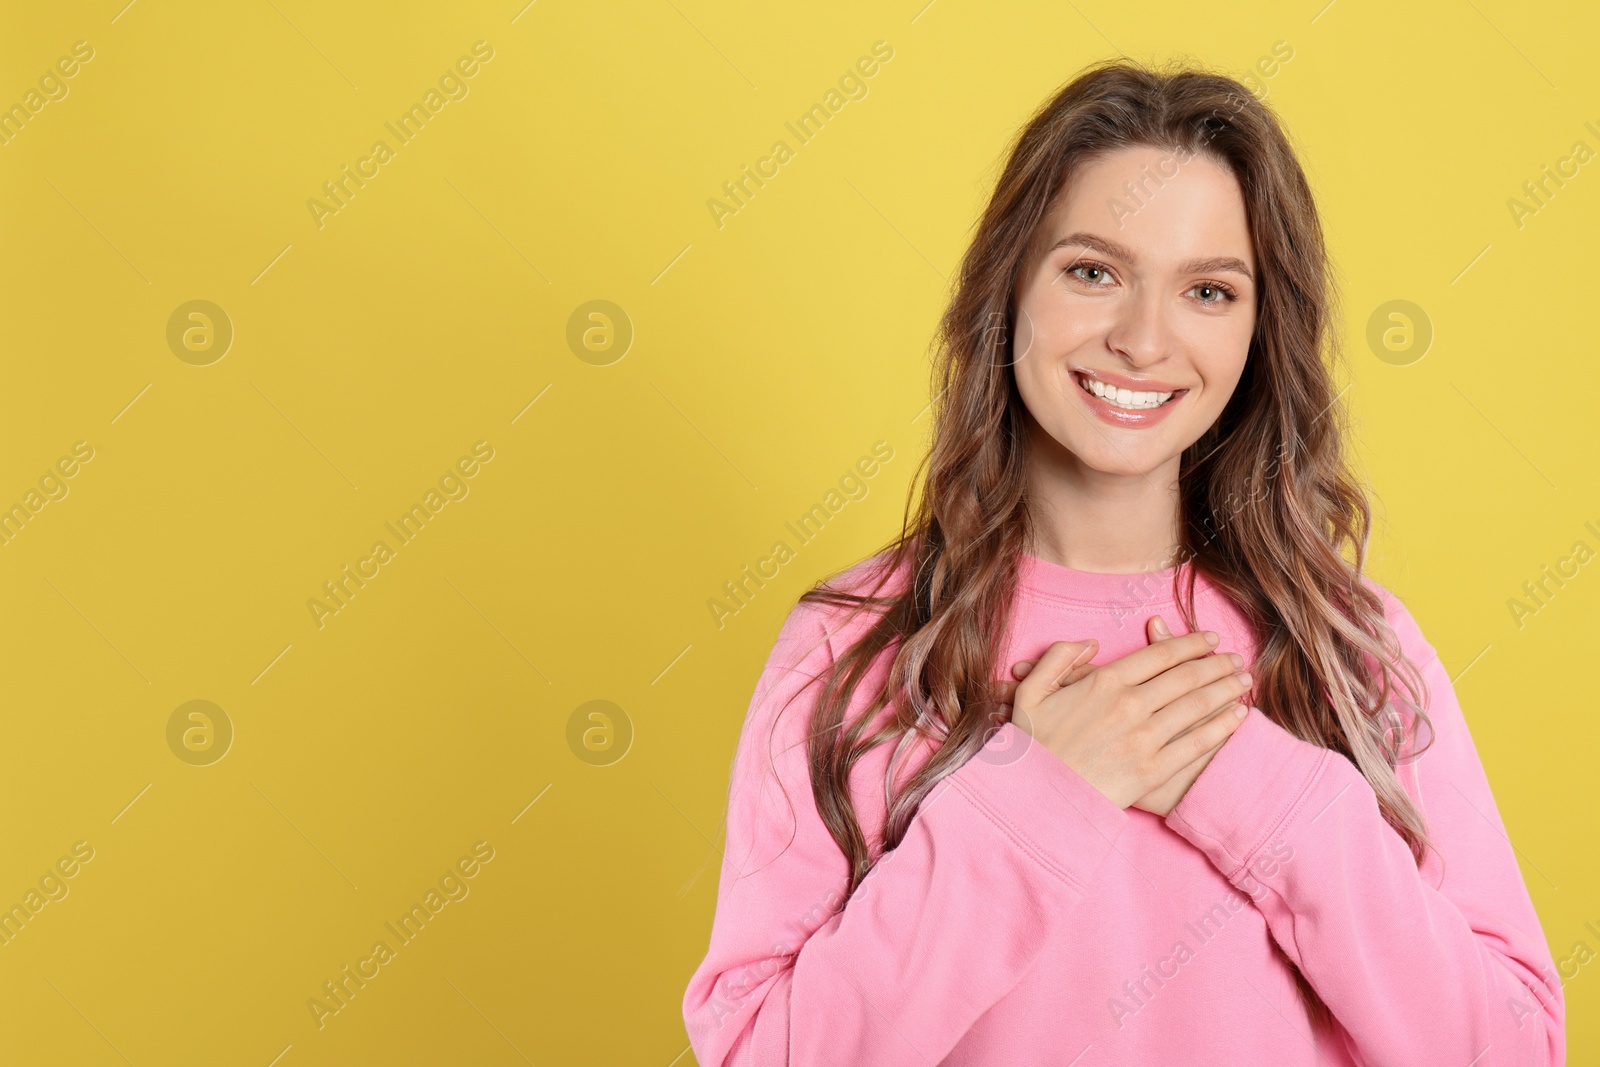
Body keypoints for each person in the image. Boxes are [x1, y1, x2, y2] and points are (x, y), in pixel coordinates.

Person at [681, 58, 1565, 1065]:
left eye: (1207, 290)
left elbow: (1509, 1048)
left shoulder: (1354, 646)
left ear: (1256, 332)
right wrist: (1033, 801)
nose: (1144, 339)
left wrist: (1264, 792)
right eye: (1093, 271)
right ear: (1007, 286)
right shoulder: (852, 644)